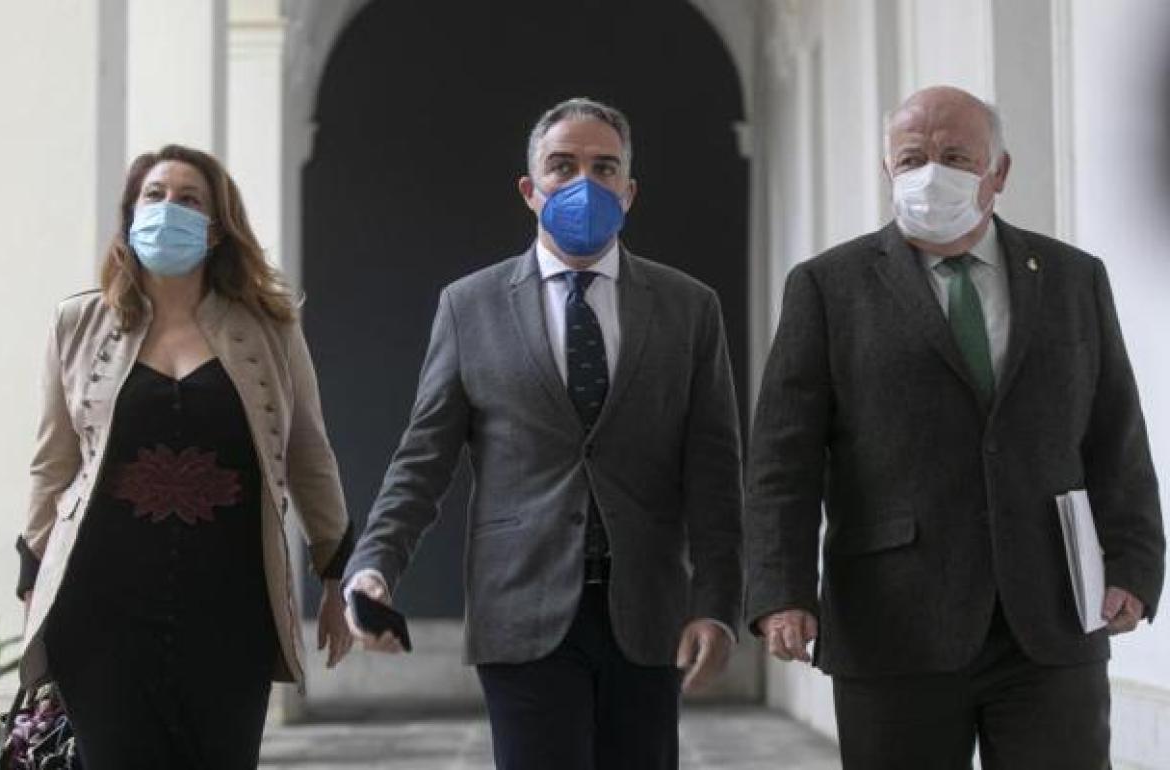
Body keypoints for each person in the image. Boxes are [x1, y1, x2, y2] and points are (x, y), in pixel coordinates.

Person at [745, 85, 1166, 769]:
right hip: (893, 620)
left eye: (954, 157)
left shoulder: (1072, 279)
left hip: (1053, 617)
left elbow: (1116, 438)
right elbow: (781, 460)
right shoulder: (828, 287)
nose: (929, 174)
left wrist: (1134, 566)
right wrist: (781, 589)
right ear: (887, 169)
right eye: (911, 158)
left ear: (999, 173)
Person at [342, 97, 743, 769]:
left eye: (604, 168)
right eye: (562, 166)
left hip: (649, 614)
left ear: (629, 191)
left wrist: (718, 604)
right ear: (531, 190)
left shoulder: (689, 308)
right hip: (520, 609)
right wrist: (374, 565)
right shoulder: (469, 306)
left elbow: (714, 472)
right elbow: (423, 459)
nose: (584, 183)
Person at [15, 144, 355, 769]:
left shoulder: (271, 328)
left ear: (217, 226)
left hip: (230, 608)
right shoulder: (78, 324)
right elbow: (52, 463)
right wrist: (31, 578)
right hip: (100, 610)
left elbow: (309, 453)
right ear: (130, 214)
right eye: (155, 195)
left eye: (189, 199)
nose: (168, 209)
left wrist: (335, 574)